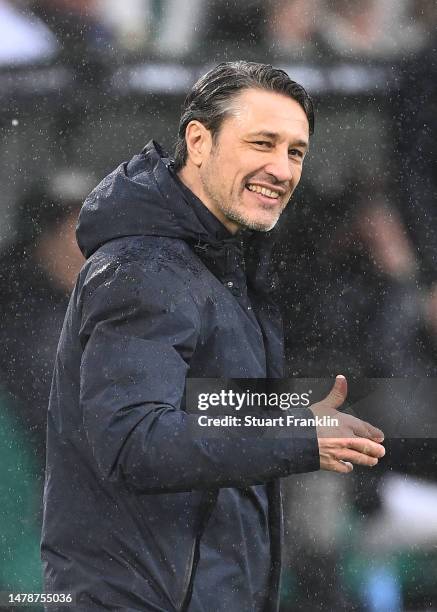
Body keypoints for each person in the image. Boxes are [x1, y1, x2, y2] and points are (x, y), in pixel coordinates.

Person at [41, 61, 385, 611]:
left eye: (295, 151)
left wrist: (287, 419)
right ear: (198, 141)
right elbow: (136, 443)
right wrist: (295, 438)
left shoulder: (218, 264)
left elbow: (194, 417)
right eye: (262, 142)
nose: (282, 168)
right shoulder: (147, 265)